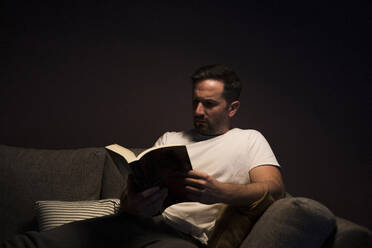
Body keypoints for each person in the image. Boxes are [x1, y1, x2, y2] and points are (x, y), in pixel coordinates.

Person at [2, 64, 285, 248]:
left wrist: (221, 192)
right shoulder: (170, 139)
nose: (198, 111)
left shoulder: (248, 139)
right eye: (195, 102)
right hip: (134, 223)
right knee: (33, 243)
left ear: (232, 108)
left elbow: (274, 189)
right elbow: (130, 198)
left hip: (183, 238)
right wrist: (135, 204)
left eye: (209, 104)